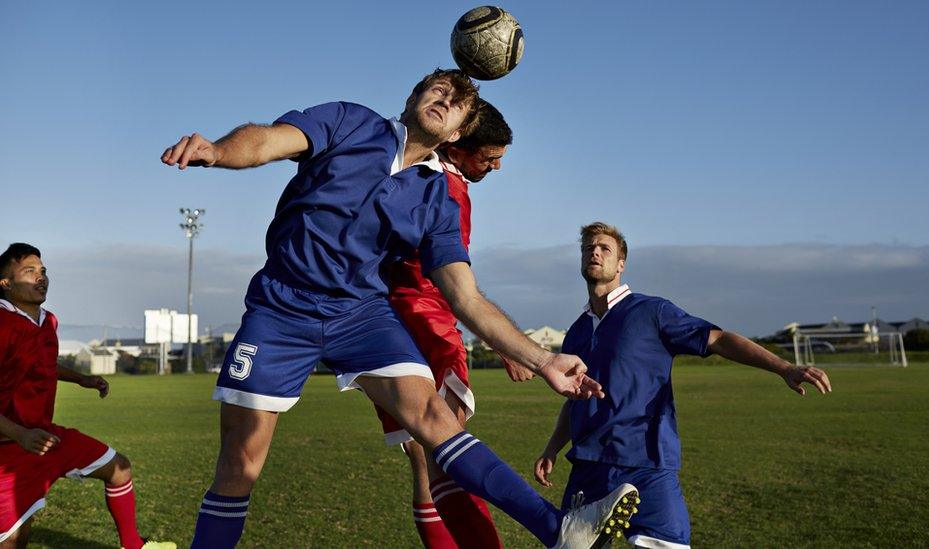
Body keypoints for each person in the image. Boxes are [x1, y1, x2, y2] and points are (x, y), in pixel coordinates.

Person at [161, 69, 638, 549]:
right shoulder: (349, 122)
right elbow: (268, 141)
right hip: (282, 307)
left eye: (456, 104)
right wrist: (220, 151)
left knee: (435, 417)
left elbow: (465, 296)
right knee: (239, 465)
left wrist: (543, 359)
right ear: (413, 97)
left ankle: (559, 530)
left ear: (456, 133)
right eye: (439, 90)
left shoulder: (438, 198)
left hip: (360, 315)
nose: (444, 100)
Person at [533, 222, 833, 548]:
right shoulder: (577, 331)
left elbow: (717, 339)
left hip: (646, 463)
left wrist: (783, 367)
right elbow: (574, 397)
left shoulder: (652, 311)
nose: (594, 251)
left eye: (604, 248)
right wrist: (552, 447)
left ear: (621, 264)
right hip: (587, 466)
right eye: (588, 247)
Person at [374, 99, 528, 549]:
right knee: (454, 454)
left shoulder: (408, 171)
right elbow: (453, 284)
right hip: (428, 320)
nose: (496, 167)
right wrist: (503, 342)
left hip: (386, 322)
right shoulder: (448, 189)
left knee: (425, 464)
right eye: (490, 158)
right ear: (459, 146)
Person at [0, 243, 175, 549]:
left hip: (45, 439)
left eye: (43, 271)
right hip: (9, 450)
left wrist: (82, 379)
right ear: (6, 283)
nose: (40, 277)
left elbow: (42, 363)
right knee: (14, 539)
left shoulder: (47, 321)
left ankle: (134, 545)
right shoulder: (3, 327)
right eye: (29, 271)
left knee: (119, 468)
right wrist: (20, 434)